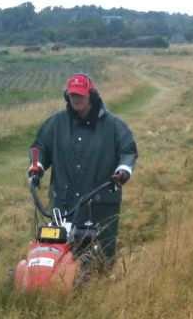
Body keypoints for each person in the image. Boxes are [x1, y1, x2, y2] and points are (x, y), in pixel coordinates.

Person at [28, 73, 138, 264]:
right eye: (73, 96)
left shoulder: (114, 126)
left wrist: (123, 170)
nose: (76, 99)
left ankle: (100, 289)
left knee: (101, 256)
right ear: (67, 97)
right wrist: (36, 166)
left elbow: (128, 151)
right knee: (59, 251)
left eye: (80, 95)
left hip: (100, 203)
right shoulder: (56, 124)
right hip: (63, 202)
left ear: (91, 95)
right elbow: (39, 147)